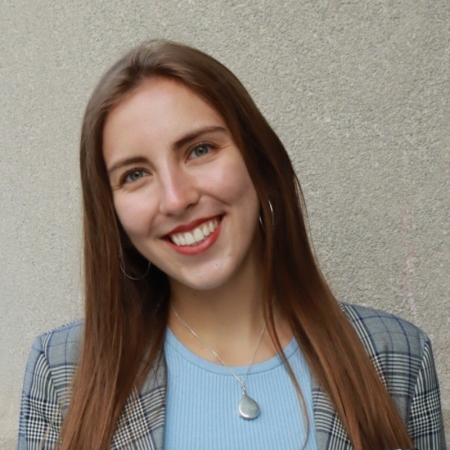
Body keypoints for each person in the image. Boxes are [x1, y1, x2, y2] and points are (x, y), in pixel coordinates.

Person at [18, 40, 445, 450]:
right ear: (110, 210)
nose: (176, 198)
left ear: (258, 159)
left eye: (199, 149)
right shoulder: (62, 372)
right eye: (135, 174)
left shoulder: (397, 356)